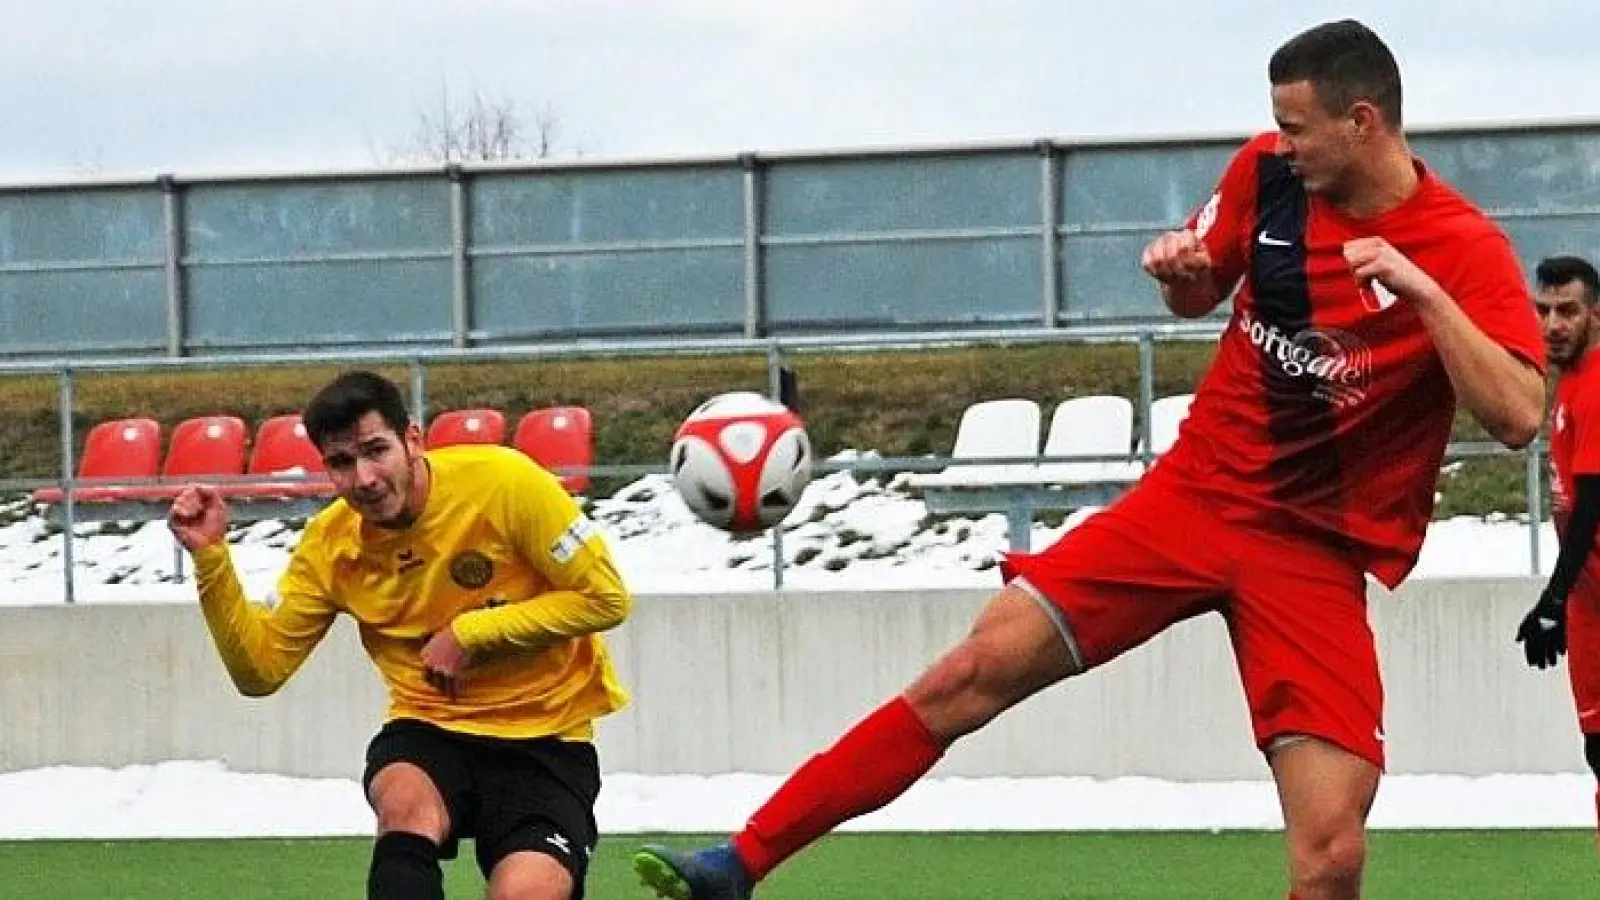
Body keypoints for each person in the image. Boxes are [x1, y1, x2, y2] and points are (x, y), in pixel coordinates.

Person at [632, 18, 1545, 900]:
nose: (1282, 141)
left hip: (1313, 550)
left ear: (1363, 122)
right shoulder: (1266, 175)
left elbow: (1516, 416)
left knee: (1333, 852)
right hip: (1192, 498)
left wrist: (1424, 294)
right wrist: (1182, 272)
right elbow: (1205, 290)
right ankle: (740, 861)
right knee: (970, 672)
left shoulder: (1461, 249)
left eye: (1297, 126)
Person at [167, 370, 630, 900]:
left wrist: (473, 632)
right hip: (429, 727)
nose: (364, 477)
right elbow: (260, 671)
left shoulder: (505, 483)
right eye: (342, 463)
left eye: (375, 450)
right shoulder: (330, 548)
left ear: (413, 439)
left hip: (547, 736)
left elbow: (606, 597)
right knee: (403, 806)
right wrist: (211, 560)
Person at [1517, 254, 1600, 859]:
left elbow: (1594, 504)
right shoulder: (1568, 388)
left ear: (1595, 314)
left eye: (1567, 311)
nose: (1553, 324)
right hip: (1590, 606)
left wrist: (1551, 598)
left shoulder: (1596, 386)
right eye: (1543, 310)